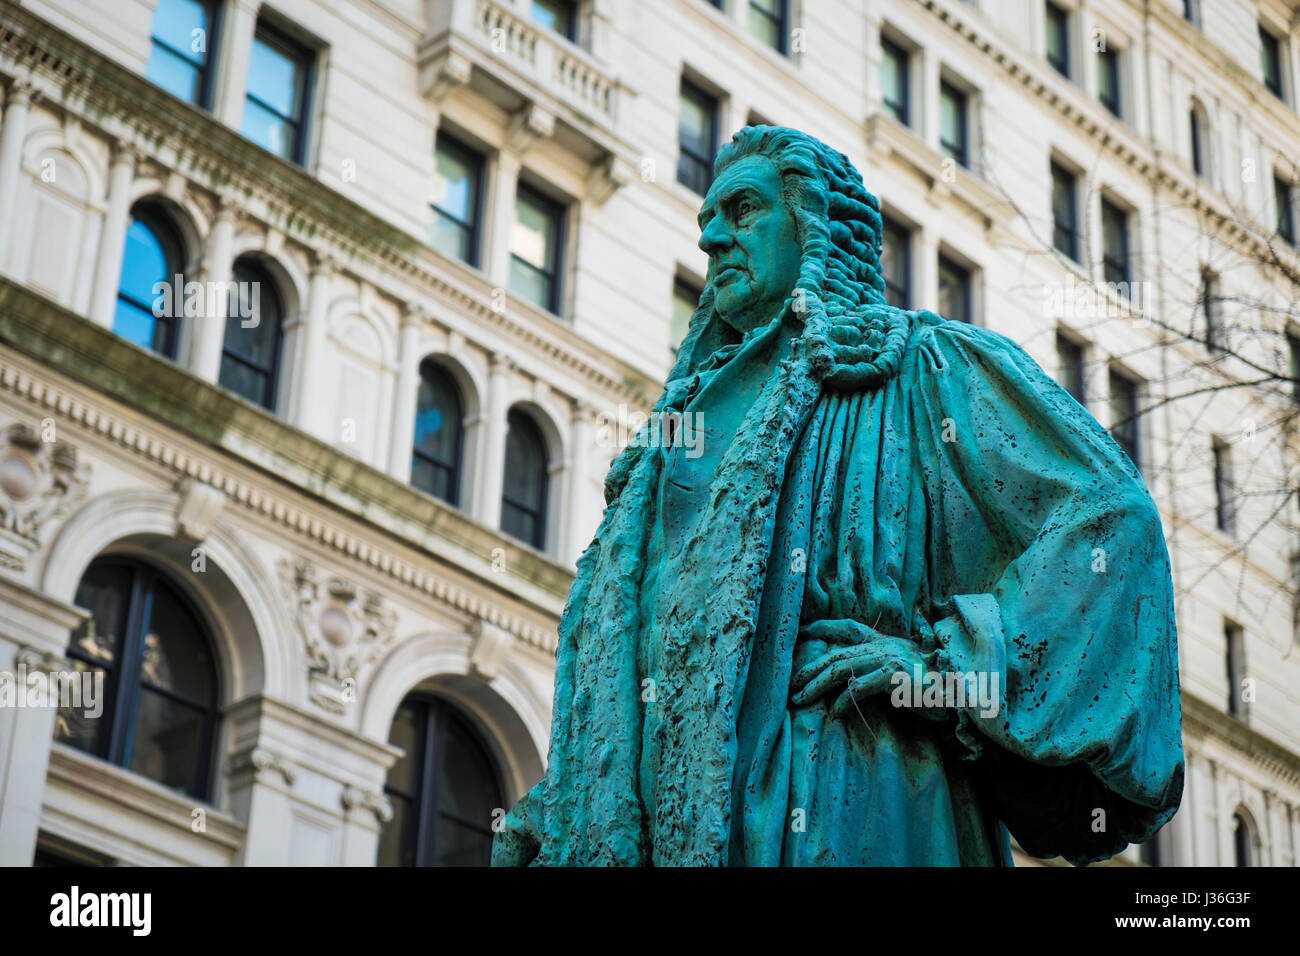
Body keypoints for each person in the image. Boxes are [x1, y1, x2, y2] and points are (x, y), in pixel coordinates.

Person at [492, 125, 1183, 866]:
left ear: (811, 227)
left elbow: (1113, 521)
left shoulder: (923, 366)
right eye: (706, 221)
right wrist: (563, 804)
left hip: (851, 785)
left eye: (743, 210)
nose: (712, 240)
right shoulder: (669, 446)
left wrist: (948, 668)